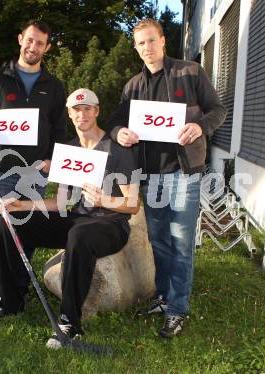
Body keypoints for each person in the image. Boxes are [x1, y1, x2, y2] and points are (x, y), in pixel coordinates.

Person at [0, 88, 140, 349]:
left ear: (97, 111)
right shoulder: (68, 150)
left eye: (87, 108)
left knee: (79, 235)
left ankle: (69, 323)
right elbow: (62, 203)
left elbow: (132, 204)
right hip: (77, 218)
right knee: (14, 221)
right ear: (70, 114)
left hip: (111, 225)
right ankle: (7, 302)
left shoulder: (117, 149)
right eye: (76, 109)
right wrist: (22, 204)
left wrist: (103, 201)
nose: (82, 114)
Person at [108, 19, 226, 338]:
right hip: (150, 176)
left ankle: (177, 309)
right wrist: (121, 133)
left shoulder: (189, 72)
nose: (147, 48)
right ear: (136, 48)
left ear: (163, 41)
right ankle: (163, 296)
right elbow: (115, 122)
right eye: (140, 44)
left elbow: (217, 109)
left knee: (181, 242)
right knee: (158, 240)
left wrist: (200, 126)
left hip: (184, 172)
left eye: (151, 41)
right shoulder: (132, 86)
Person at [0, 20, 67, 299]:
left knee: (25, 228)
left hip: (35, 172)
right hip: (0, 167)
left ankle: (17, 285)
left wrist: (52, 160)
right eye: (29, 40)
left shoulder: (54, 86)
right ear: (20, 39)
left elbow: (60, 129)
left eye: (39, 43)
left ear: (46, 48)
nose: (32, 47)